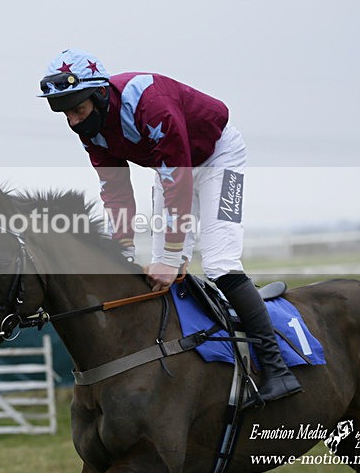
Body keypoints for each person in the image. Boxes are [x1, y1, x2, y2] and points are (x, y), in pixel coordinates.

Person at [37, 48, 302, 405]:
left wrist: (174, 253)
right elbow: (115, 191)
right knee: (166, 266)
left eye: (78, 109)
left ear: (99, 95)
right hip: (173, 169)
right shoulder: (90, 129)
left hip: (217, 157)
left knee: (219, 263)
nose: (73, 121)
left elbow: (178, 178)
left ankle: (276, 369)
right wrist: (123, 251)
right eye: (64, 112)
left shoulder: (151, 104)